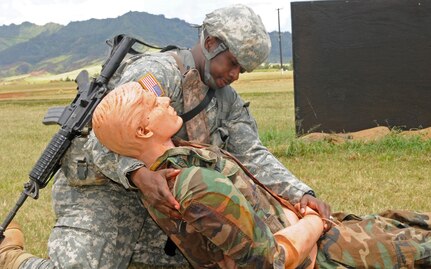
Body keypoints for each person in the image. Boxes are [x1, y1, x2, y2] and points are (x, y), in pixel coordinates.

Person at [2, 4, 330, 268]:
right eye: (232, 63)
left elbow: (252, 152)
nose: (234, 75)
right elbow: (102, 139)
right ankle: (11, 256)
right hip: (104, 190)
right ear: (212, 43)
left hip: (165, 203)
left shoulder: (226, 100)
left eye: (242, 70)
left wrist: (300, 192)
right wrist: (139, 174)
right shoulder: (157, 75)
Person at [2, 83, 431, 268]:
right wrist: (314, 224)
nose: (166, 99)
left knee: (406, 221)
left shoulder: (186, 159)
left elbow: (252, 170)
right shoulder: (192, 184)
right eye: (154, 105)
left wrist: (295, 202)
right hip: (320, 254)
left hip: (312, 236)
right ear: (146, 131)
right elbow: (272, 262)